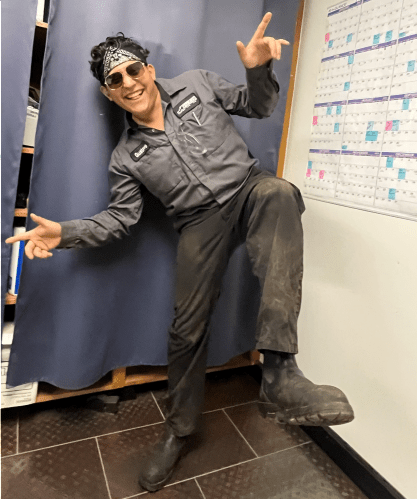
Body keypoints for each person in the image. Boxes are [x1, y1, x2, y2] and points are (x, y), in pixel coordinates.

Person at [6, 12, 354, 492]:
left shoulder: (197, 84)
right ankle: (179, 430)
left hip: (247, 189)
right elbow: (120, 219)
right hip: (198, 223)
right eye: (115, 79)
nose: (128, 82)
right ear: (109, 93)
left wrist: (258, 70)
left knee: (278, 193)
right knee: (186, 329)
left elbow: (258, 105)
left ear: (148, 69)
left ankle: (279, 372)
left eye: (133, 70)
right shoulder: (125, 157)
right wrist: (63, 233)